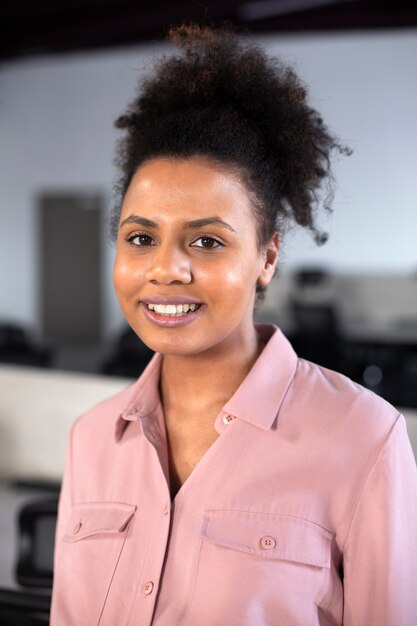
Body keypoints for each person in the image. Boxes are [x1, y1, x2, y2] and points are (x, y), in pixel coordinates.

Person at [50, 24, 417, 626]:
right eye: (141, 237)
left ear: (267, 256)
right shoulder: (91, 439)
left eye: (207, 240)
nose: (166, 269)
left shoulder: (364, 440)